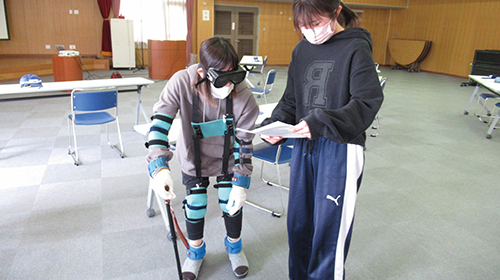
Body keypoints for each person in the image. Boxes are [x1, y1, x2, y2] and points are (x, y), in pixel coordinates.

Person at [261, 1, 384, 279]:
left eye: (315, 24)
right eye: (302, 26)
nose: (309, 31)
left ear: (336, 12)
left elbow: (367, 102)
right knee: (299, 224)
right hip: (305, 145)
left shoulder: (356, 47)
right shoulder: (301, 50)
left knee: (329, 230)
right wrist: (275, 126)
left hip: (340, 147)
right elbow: (291, 100)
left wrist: (320, 122)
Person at [146, 37, 259, 280]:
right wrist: (159, 167)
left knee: (231, 202)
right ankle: (195, 253)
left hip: (227, 158)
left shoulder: (243, 96)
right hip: (192, 158)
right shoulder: (181, 83)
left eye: (234, 76)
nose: (229, 85)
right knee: (195, 205)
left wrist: (241, 182)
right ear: (202, 72)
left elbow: (244, 143)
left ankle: (235, 248)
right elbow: (159, 125)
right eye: (221, 78)